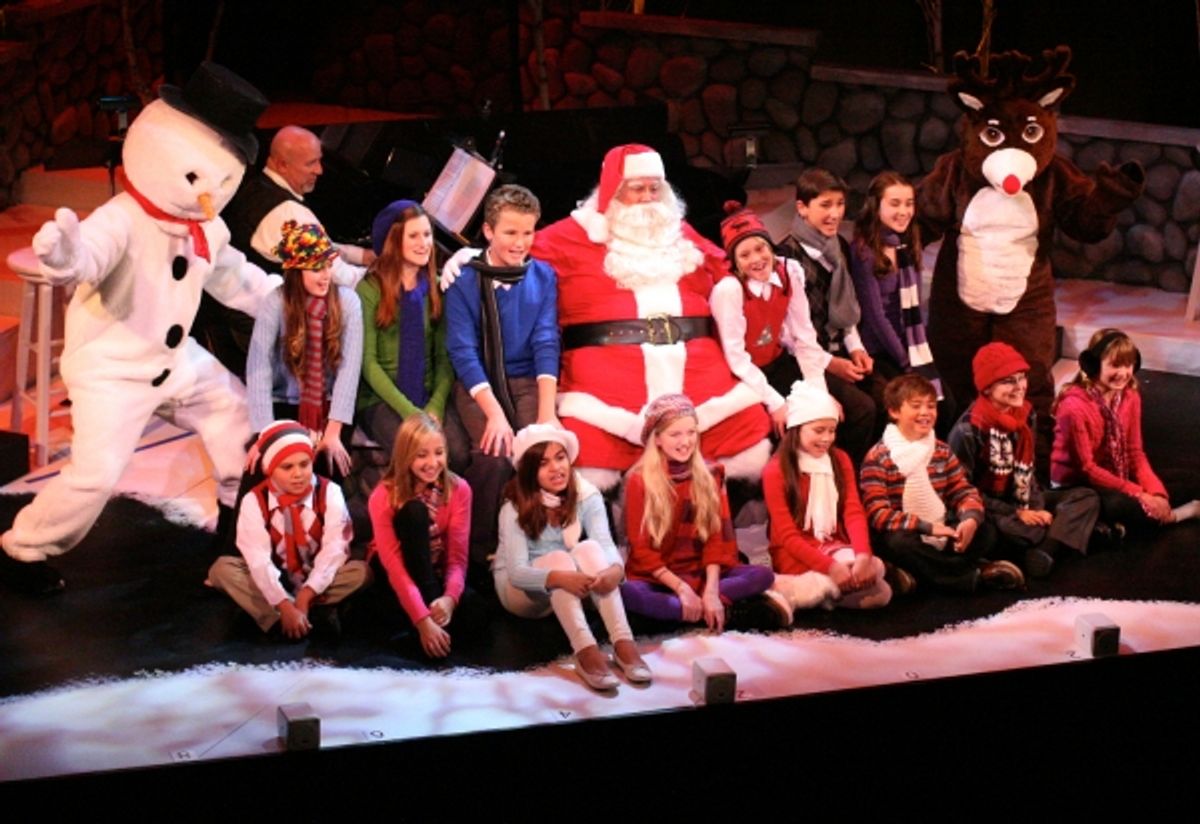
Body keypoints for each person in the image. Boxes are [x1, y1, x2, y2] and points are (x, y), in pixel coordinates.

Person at [0, 62, 277, 596]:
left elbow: (235, 277)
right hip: (113, 370)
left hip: (173, 363)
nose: (207, 194)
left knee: (236, 416)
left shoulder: (206, 227)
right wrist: (64, 254)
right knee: (95, 476)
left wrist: (287, 297)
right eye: (197, 179)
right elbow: (89, 256)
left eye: (219, 182)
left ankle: (232, 522)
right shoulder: (123, 217)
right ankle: (22, 547)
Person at [527, 144, 771, 489]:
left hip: (698, 370)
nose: (647, 198)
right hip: (608, 372)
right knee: (590, 448)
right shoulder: (571, 235)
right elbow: (514, 254)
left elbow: (727, 266)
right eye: (637, 188)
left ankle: (726, 523)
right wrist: (469, 259)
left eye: (655, 188)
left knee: (747, 429)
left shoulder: (679, 232)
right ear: (613, 191)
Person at [444, 185, 560, 567]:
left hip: (526, 381)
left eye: (528, 232)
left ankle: (535, 547)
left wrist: (547, 415)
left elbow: (545, 341)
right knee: (494, 456)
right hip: (479, 385)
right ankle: (475, 552)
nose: (521, 242)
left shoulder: (543, 276)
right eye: (511, 232)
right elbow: (463, 352)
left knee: (538, 454)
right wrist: (494, 413)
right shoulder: (463, 282)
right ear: (489, 232)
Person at [198, 125, 372, 378]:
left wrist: (363, 256)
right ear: (282, 165)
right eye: (311, 163)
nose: (320, 171)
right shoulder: (287, 214)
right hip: (267, 331)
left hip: (233, 321)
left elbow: (318, 248)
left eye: (319, 161)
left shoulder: (256, 188)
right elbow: (343, 278)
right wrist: (389, 277)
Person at [495, 424, 652, 691]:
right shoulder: (514, 507)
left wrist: (615, 569)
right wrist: (559, 576)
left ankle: (624, 643)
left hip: (566, 582)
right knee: (558, 558)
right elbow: (517, 573)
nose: (557, 468)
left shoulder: (586, 493)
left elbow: (604, 543)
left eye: (560, 457)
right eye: (544, 463)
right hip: (522, 591)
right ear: (530, 471)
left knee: (589, 548)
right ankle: (586, 652)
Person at [621, 394, 789, 630]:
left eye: (691, 432)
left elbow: (715, 541)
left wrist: (710, 591)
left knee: (763, 576)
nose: (686, 441)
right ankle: (724, 612)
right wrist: (681, 588)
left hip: (701, 573)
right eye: (675, 434)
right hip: (659, 578)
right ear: (657, 439)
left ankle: (693, 610)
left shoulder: (710, 474)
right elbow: (643, 553)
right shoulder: (639, 480)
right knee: (629, 594)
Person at [859, 374, 1022, 594]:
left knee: (986, 531)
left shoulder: (941, 450)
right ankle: (970, 576)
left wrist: (969, 519)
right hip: (909, 532)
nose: (926, 413)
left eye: (931, 406)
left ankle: (922, 575)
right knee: (897, 544)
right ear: (894, 411)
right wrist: (926, 527)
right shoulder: (878, 457)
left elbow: (963, 490)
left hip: (942, 527)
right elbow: (878, 514)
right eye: (916, 406)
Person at [950, 343, 1102, 577]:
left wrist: (1034, 507)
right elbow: (960, 491)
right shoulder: (968, 430)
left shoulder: (1025, 413)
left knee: (1085, 497)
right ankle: (1063, 540)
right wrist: (1018, 513)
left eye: (1021, 378)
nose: (1019, 387)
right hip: (990, 509)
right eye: (1008, 381)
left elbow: (1028, 472)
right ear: (988, 388)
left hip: (1021, 499)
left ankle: (1046, 550)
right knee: (1009, 532)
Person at [207, 421, 370, 638]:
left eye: (304, 464)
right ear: (270, 469)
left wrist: (305, 595)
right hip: (276, 577)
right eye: (287, 467)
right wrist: (283, 604)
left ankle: (296, 612)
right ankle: (280, 618)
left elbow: (335, 548)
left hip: (316, 574)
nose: (298, 474)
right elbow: (258, 558)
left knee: (361, 573)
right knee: (222, 569)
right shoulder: (254, 500)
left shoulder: (329, 492)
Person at [776, 168, 878, 465]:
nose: (834, 214)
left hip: (839, 351)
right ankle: (842, 478)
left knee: (889, 397)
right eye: (825, 205)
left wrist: (856, 347)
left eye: (840, 205)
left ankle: (875, 480)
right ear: (802, 208)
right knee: (861, 409)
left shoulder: (838, 247)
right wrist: (831, 364)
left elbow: (846, 308)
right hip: (804, 359)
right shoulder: (787, 257)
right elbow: (790, 334)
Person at [1051, 329, 1200, 531]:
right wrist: (1140, 494)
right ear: (1093, 365)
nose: (1123, 373)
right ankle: (1177, 516)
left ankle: (1151, 513)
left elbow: (1134, 453)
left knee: (1190, 479)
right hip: (1079, 485)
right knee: (1119, 505)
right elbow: (1087, 469)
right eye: (1114, 365)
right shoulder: (1074, 407)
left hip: (1115, 474)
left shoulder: (1130, 397)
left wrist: (1157, 493)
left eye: (1128, 365)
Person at [246, 220, 361, 480]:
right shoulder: (276, 303)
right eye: (316, 268)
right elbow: (258, 369)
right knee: (262, 472)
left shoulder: (348, 303)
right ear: (297, 271)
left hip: (331, 408)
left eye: (328, 266)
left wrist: (332, 432)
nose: (325, 275)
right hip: (284, 403)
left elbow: (349, 370)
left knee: (329, 469)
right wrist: (265, 436)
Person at [763, 382, 891, 611]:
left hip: (833, 545)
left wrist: (862, 555)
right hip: (796, 554)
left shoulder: (840, 459)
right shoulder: (776, 470)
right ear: (797, 429)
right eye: (818, 430)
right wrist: (830, 567)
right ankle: (798, 588)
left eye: (832, 430)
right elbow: (788, 537)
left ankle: (810, 593)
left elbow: (853, 511)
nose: (827, 438)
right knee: (876, 582)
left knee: (880, 583)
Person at [710, 201, 830, 437]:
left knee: (850, 410)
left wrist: (819, 396)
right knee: (782, 428)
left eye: (760, 248)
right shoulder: (730, 290)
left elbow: (804, 336)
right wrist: (776, 403)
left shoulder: (789, 272)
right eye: (744, 255)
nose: (756, 259)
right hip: (741, 375)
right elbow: (736, 359)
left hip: (777, 363)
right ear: (736, 263)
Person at [849, 171, 954, 435]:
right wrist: (906, 363)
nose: (904, 211)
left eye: (908, 203)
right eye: (894, 204)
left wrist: (918, 352)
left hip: (909, 345)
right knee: (914, 406)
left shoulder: (906, 244)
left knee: (947, 404)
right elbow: (875, 317)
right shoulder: (864, 250)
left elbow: (915, 305)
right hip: (881, 349)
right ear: (876, 206)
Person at [366, 413, 471, 658]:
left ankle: (429, 618)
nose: (432, 463)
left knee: (477, 614)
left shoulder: (459, 489)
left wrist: (448, 600)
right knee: (414, 512)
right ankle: (422, 621)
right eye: (421, 455)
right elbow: (393, 566)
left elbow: (457, 558)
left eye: (439, 453)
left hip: (436, 568)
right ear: (405, 456)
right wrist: (423, 619)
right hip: (395, 573)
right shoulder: (382, 495)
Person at [357, 200, 452, 452]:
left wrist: (436, 405)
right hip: (380, 400)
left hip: (428, 396)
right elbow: (369, 363)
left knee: (459, 453)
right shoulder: (369, 290)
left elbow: (444, 357)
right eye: (414, 236)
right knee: (418, 449)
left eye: (427, 234)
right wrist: (410, 412)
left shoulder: (438, 288)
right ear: (393, 240)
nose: (424, 243)